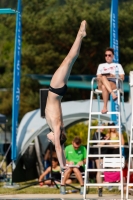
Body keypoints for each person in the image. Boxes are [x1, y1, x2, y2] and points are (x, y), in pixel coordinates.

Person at [45, 20, 87, 171]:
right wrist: (63, 165)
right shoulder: (56, 127)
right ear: (59, 134)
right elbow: (58, 145)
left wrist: (63, 164)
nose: (49, 138)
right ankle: (80, 34)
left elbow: (58, 145)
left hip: (59, 92)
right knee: (69, 59)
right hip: (55, 89)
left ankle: (81, 35)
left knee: (71, 59)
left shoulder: (55, 127)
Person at [96, 47, 125, 114]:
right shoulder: (101, 65)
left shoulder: (117, 65)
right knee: (103, 77)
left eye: (109, 55)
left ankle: (105, 107)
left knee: (104, 87)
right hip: (101, 82)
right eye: (106, 55)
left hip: (113, 83)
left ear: (113, 56)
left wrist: (113, 76)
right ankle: (112, 94)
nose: (107, 57)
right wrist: (105, 77)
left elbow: (122, 78)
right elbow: (98, 76)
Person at [91, 124, 108, 197]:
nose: (103, 128)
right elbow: (99, 145)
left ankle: (104, 184)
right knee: (100, 170)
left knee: (103, 170)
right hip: (98, 155)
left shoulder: (103, 134)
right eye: (102, 126)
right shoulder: (96, 134)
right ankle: (100, 186)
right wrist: (105, 140)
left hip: (105, 155)